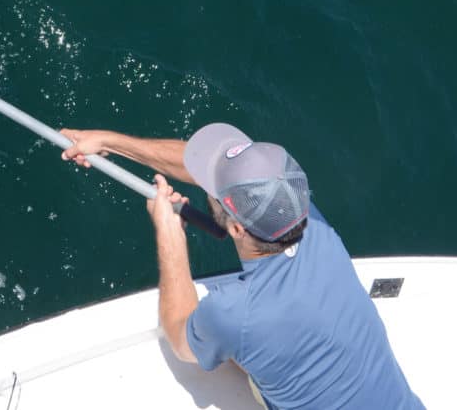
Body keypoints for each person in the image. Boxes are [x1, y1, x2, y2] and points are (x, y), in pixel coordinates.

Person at [60, 123, 424, 410]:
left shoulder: (236, 311)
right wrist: (109, 142)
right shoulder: (311, 223)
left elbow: (180, 338)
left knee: (222, 345)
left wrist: (170, 236)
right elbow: (208, 167)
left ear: (235, 228)